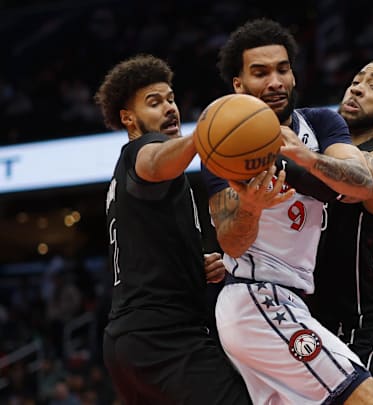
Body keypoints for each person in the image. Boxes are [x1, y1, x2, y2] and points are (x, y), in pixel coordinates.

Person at [202, 18, 373, 404]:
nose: (275, 81)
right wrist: (252, 209)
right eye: (260, 73)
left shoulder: (322, 123)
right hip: (255, 299)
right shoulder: (223, 149)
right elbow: (231, 241)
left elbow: (362, 183)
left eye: (282, 69)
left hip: (291, 301)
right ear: (239, 86)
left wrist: (303, 157)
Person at [95, 54, 250, 404]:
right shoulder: (143, 151)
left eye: (170, 99)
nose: (169, 108)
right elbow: (154, 163)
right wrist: (202, 138)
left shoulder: (129, 175)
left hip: (129, 339)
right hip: (164, 338)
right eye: (154, 103)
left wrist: (195, 265)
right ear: (128, 118)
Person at [304, 59, 373, 389]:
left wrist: (292, 153)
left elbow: (359, 177)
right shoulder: (324, 152)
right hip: (318, 319)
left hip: (370, 323)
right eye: (356, 80)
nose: (357, 87)